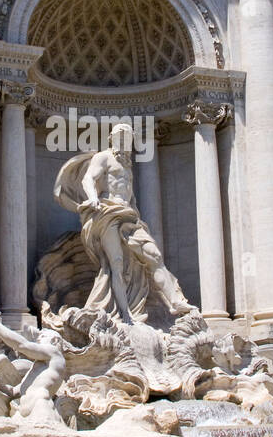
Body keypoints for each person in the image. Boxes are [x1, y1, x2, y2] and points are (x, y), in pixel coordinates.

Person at [54, 122, 192, 324]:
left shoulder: (127, 164)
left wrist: (136, 215)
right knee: (116, 264)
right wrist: (93, 198)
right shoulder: (103, 157)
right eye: (120, 136)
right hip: (107, 212)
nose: (124, 141)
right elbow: (88, 179)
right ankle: (125, 316)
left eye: (127, 137)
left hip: (128, 215)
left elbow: (130, 196)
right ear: (111, 139)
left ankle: (175, 302)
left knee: (154, 256)